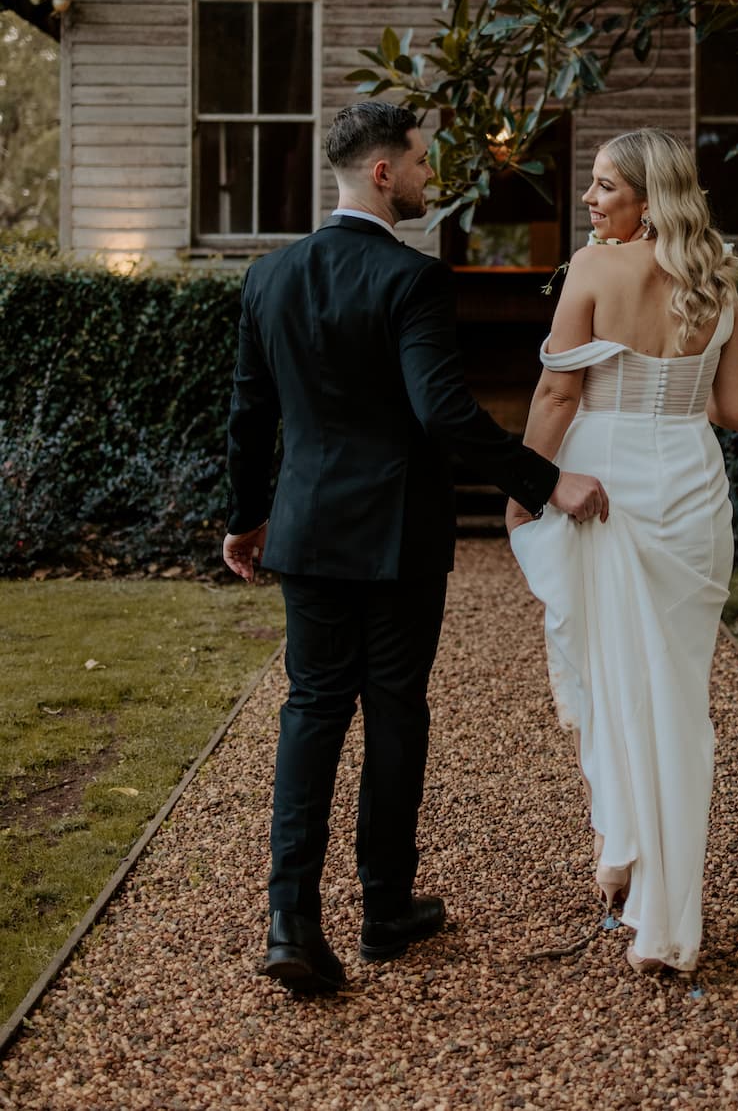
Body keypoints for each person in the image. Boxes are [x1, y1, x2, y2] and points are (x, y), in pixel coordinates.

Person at [223, 100, 608, 994]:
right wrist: (546, 482)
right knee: (394, 709)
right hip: (397, 537)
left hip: (309, 530)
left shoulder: (269, 277)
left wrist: (248, 516)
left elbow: (250, 416)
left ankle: (290, 921)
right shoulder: (413, 279)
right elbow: (442, 414)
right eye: (425, 164)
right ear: (384, 172)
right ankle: (384, 910)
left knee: (312, 710)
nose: (435, 179)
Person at [506, 127, 738, 975]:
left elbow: (555, 389)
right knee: (678, 697)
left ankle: (625, 848)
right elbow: (736, 412)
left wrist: (527, 487)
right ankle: (658, 901)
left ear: (649, 199)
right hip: (690, 485)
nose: (590, 199)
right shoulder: (717, 282)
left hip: (606, 478)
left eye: (606, 187)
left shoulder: (591, 271)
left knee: (614, 678)